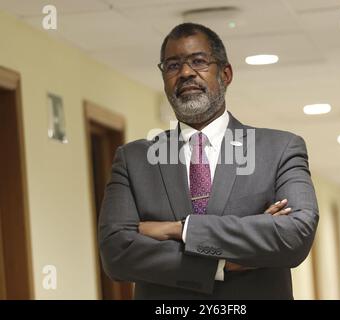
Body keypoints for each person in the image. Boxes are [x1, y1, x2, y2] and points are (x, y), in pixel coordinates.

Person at [98, 23, 319, 299]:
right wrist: (222, 263)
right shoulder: (134, 160)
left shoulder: (279, 149)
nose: (186, 73)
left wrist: (180, 229)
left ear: (225, 74)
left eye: (199, 62)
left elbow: (294, 235)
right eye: (172, 65)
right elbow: (116, 254)